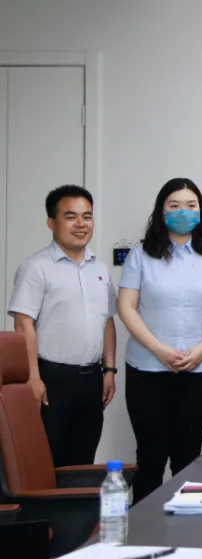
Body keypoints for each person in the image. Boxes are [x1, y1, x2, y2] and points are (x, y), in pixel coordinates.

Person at [118, 178, 202, 502]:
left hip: (198, 370)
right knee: (150, 458)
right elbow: (127, 307)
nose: (183, 212)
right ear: (161, 211)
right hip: (147, 370)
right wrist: (158, 350)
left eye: (191, 206)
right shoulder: (140, 255)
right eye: (174, 205)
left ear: (200, 211)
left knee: (187, 457)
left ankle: (185, 527)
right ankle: (144, 527)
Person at [7, 185, 118, 466]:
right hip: (51, 379)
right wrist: (33, 378)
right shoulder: (36, 267)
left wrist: (109, 370)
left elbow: (107, 322)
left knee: (82, 461)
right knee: (46, 460)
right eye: (71, 216)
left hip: (91, 379)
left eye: (87, 216)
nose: (81, 224)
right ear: (51, 222)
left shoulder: (100, 269)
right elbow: (23, 324)